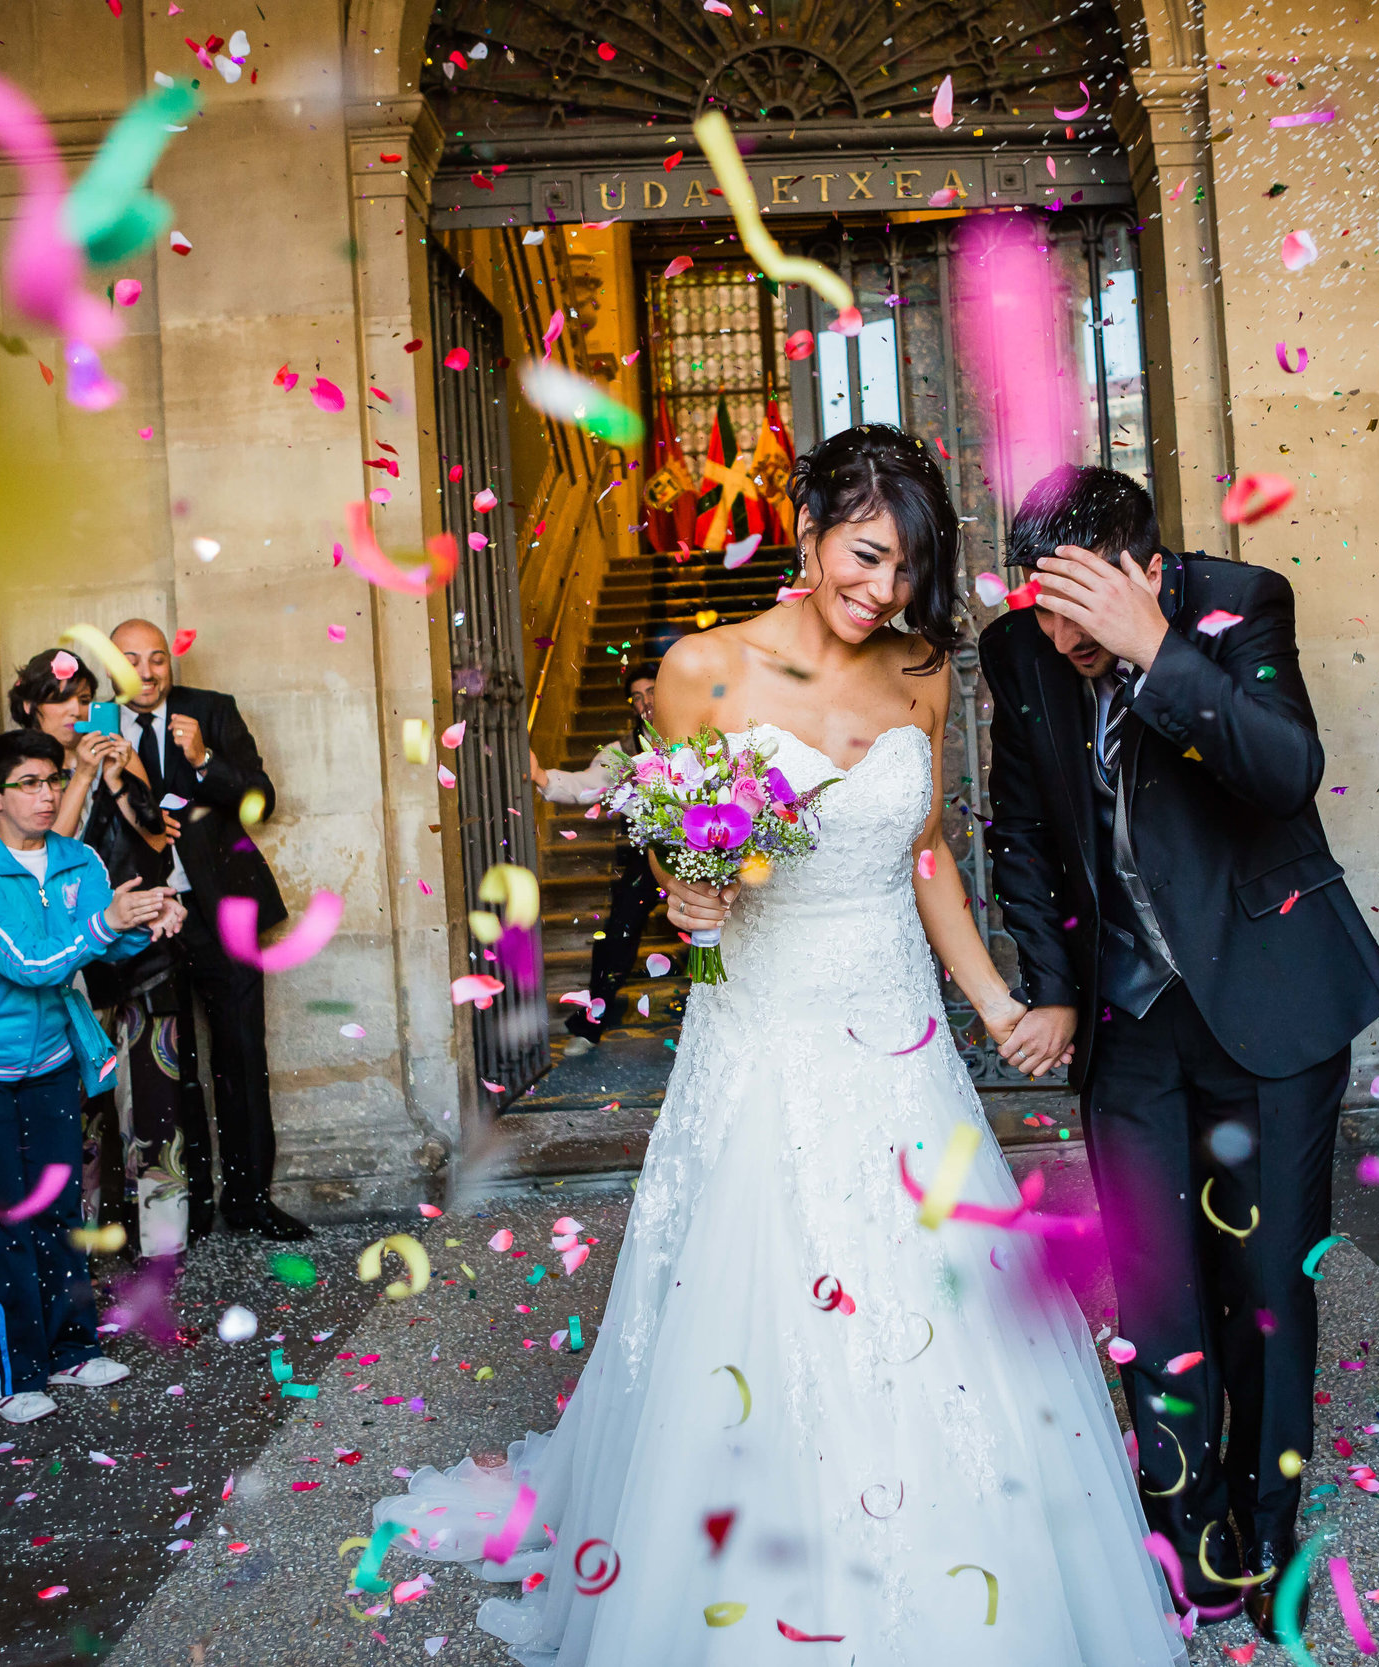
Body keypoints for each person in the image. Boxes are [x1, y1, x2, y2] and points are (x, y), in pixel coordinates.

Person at [372, 426, 1187, 1663]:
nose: (883, 592)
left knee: (935, 1284)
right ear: (806, 527)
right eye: (865, 556)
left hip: (896, 1026)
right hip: (761, 1023)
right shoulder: (702, 666)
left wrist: (995, 1004)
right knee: (760, 1277)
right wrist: (683, 883)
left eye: (908, 570)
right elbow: (674, 841)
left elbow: (923, 860)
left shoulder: (920, 670)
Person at [975, 464, 1379, 1637]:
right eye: (1037, 600)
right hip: (1129, 1023)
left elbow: (1282, 769)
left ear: (1142, 570)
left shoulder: (1240, 603)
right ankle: (1190, 1537)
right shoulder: (1023, 654)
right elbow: (1021, 828)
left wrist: (1157, 651)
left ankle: (1270, 1538)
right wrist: (1053, 989)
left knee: (1265, 1289)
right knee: (1154, 1289)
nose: (1056, 632)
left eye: (1077, 603)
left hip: (1269, 1005)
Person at [0, 730, 185, 1424]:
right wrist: (105, 920)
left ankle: (70, 1350)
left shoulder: (77, 857)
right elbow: (32, 962)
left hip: (49, 1061)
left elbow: (100, 941)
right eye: (29, 783)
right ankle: (13, 1372)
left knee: (61, 1212)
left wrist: (150, 916)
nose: (46, 794)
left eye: (54, 780)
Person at [109, 619, 306, 1240]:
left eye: (158, 659)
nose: (147, 672)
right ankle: (186, 1205)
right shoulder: (92, 726)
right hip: (142, 922)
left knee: (242, 1057)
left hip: (224, 915)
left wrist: (205, 760)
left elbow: (260, 800)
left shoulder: (210, 711)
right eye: (132, 660)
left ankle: (250, 1200)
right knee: (171, 1064)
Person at [9, 650, 192, 1255]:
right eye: (62, 699)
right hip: (70, 962)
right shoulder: (19, 769)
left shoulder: (119, 750)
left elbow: (155, 838)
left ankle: (164, 1247)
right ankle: (78, 1247)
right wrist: (79, 777)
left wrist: (117, 774)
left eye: (85, 698)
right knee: (80, 1111)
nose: (76, 711)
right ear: (32, 706)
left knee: (156, 1106)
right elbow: (42, 852)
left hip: (140, 950)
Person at [529, 660, 662, 1053]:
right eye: (637, 697)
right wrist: (541, 778)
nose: (644, 702)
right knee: (618, 934)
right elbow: (586, 786)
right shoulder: (621, 750)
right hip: (645, 856)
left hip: (699, 852)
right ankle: (589, 1025)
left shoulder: (698, 732)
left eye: (651, 691)